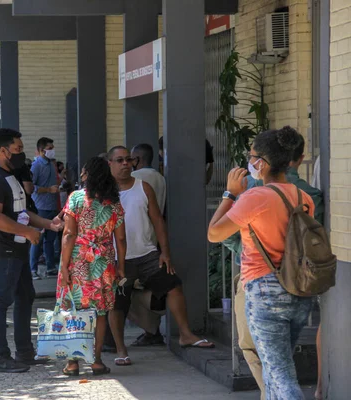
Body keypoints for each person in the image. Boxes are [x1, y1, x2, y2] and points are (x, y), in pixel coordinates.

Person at [208, 127, 315, 400]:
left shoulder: (256, 197)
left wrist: (230, 194)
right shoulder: (304, 198)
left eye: (252, 156)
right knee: (276, 367)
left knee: (281, 374)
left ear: (263, 163)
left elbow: (214, 233)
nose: (249, 161)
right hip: (298, 288)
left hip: (264, 288)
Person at [107, 146, 214, 366]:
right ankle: (121, 350)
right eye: (119, 160)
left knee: (173, 286)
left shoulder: (143, 187)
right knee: (117, 303)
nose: (126, 163)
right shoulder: (104, 191)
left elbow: (158, 221)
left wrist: (165, 252)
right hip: (117, 259)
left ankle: (185, 334)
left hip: (147, 254)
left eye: (129, 159)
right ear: (110, 163)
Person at [0, 128, 61, 373]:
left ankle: (24, 352)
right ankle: (0, 358)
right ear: (3, 150)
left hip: (18, 250)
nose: (21, 153)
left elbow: (22, 212)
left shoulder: (12, 176)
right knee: (0, 302)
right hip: (4, 249)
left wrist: (49, 224)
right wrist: (27, 232)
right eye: (17, 149)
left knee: (25, 296)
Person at [59, 157, 126, 377]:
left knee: (73, 310)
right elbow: (121, 239)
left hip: (77, 261)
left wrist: (64, 265)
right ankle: (96, 361)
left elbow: (69, 234)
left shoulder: (76, 198)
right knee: (100, 313)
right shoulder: (114, 203)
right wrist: (121, 267)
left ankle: (72, 363)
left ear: (87, 174)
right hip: (104, 263)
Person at [126, 143, 167, 347]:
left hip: (139, 242)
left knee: (130, 292)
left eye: (129, 159)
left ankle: (151, 330)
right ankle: (152, 331)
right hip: (152, 240)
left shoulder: (137, 180)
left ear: (137, 159)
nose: (126, 164)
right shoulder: (159, 177)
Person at [30, 137, 60, 279]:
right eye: (50, 148)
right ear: (42, 150)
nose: (52, 151)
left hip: (52, 206)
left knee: (50, 239)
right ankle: (33, 268)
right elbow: (32, 187)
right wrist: (48, 190)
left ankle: (50, 267)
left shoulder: (51, 165)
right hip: (40, 207)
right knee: (38, 239)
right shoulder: (36, 166)